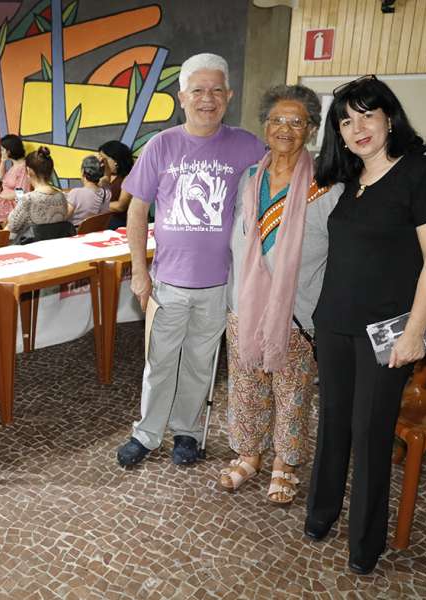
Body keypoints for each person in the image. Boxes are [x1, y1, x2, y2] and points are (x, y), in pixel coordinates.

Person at [304, 75, 426, 575]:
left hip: (386, 335)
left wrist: (415, 333)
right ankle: (321, 515)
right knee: (332, 426)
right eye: (346, 121)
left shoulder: (423, 174)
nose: (358, 127)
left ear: (390, 117)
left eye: (368, 114)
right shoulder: (350, 184)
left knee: (371, 434)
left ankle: (365, 545)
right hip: (334, 325)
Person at [115, 53, 265, 467]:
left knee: (201, 364)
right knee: (159, 363)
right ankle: (146, 434)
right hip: (167, 282)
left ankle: (187, 432)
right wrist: (140, 274)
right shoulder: (162, 145)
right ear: (182, 96)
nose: (208, 98)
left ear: (229, 95)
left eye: (217, 90)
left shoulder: (248, 145)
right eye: (198, 90)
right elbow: (136, 210)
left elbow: (279, 183)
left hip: (219, 283)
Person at [220, 85, 343, 504]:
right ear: (265, 126)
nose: (285, 129)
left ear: (310, 129)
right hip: (245, 307)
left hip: (297, 311)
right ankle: (250, 455)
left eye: (296, 121)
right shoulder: (249, 178)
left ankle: (285, 464)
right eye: (277, 120)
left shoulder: (327, 188)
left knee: (293, 393)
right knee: (245, 387)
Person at [5, 146, 67, 241]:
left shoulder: (28, 199)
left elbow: (13, 224)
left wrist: (20, 204)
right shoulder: (62, 197)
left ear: (29, 171)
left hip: (31, 246)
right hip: (55, 244)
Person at [66, 155, 111, 227]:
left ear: (83, 171)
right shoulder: (107, 193)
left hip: (76, 234)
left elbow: (64, 216)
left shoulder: (76, 193)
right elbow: (107, 177)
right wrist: (105, 163)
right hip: (95, 232)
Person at [98, 140, 134, 228]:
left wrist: (95, 204)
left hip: (120, 222)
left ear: (115, 160)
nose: (102, 163)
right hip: (101, 218)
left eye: (104, 159)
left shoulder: (129, 178)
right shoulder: (103, 176)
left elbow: (120, 206)